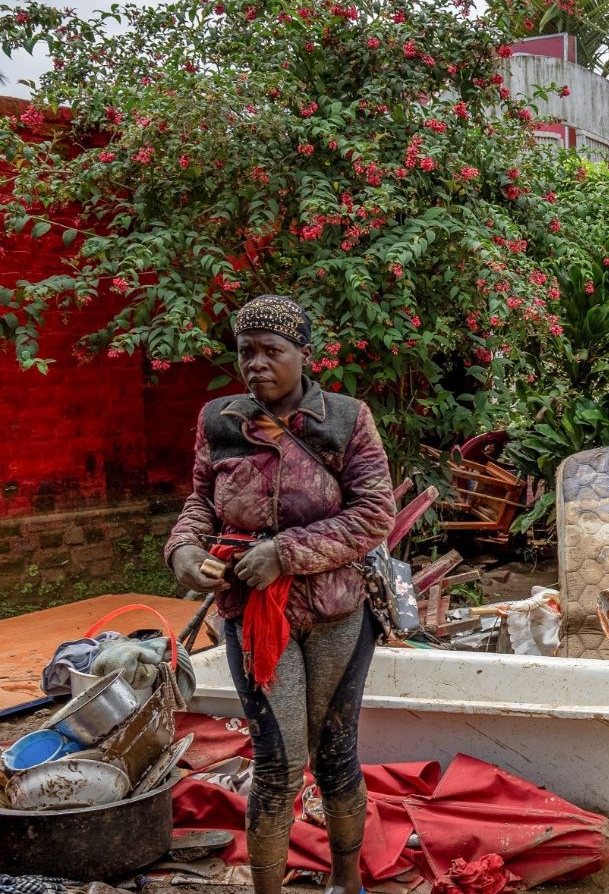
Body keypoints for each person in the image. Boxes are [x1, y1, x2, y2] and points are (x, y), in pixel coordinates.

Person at [166, 295, 395, 894]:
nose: (258, 364)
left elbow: (374, 514)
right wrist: (185, 550)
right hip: (252, 612)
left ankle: (346, 881)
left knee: (336, 755)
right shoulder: (219, 420)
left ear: (304, 356)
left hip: (338, 609)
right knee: (276, 762)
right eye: (248, 352)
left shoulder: (346, 419)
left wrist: (285, 553)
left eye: (274, 351)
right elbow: (200, 501)